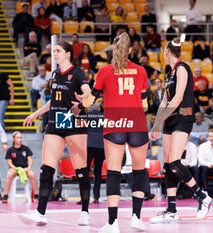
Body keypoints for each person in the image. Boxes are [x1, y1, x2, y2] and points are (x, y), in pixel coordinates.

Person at [77, 32, 150, 232]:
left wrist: (81, 102)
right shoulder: (141, 71)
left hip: (115, 124)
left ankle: (113, 223)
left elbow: (91, 102)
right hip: (137, 125)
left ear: (114, 49)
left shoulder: (104, 71)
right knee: (139, 172)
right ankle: (136, 217)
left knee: (113, 173)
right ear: (129, 50)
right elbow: (144, 104)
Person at [19, 41, 91, 226]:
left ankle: (84, 211)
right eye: (54, 51)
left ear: (68, 54)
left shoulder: (77, 73)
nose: (55, 53)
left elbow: (87, 91)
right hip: (56, 121)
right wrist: (36, 113)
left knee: (80, 169)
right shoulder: (55, 73)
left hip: (75, 120)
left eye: (58, 51)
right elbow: (54, 100)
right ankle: (40, 212)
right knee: (46, 168)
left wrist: (84, 98)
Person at [149, 38, 212, 224]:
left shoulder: (182, 68)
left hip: (183, 118)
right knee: (168, 165)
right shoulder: (169, 74)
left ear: (167, 52)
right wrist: (157, 124)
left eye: (163, 50)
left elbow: (177, 99)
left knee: (175, 163)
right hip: (170, 119)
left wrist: (160, 120)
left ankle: (202, 197)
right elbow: (164, 102)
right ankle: (171, 210)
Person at [2, 131, 39, 203]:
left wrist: (28, 167)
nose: (19, 139)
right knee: (9, 174)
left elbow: (30, 160)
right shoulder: (10, 150)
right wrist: (16, 169)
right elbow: (9, 163)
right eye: (18, 138)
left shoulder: (26, 149)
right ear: (14, 139)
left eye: (21, 138)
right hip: (14, 169)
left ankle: (36, 195)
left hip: (25, 168)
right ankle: (5, 195)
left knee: (32, 174)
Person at [85, 103, 105, 204]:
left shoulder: (86, 116)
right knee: (98, 172)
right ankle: (96, 196)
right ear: (99, 108)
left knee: (85, 171)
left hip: (88, 145)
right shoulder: (104, 117)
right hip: (101, 146)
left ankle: (84, 196)